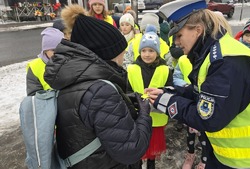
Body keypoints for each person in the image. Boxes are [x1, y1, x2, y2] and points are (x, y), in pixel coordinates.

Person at [145, 0, 250, 169]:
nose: (175, 42)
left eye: (179, 35)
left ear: (198, 30)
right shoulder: (215, 51)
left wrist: (167, 102)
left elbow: (208, 118)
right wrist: (171, 91)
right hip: (231, 155)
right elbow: (205, 92)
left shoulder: (227, 61)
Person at [44, 4, 152, 169]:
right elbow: (131, 150)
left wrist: (124, 102)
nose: (123, 57)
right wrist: (144, 115)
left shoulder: (76, 80)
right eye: (121, 52)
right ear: (109, 53)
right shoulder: (101, 91)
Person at [127, 25, 173, 169]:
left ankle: (151, 165)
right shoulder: (132, 69)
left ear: (157, 52)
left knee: (152, 150)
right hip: (137, 117)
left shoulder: (165, 70)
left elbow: (170, 91)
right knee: (139, 148)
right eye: (144, 50)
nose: (147, 54)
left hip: (156, 118)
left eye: (151, 51)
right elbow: (127, 91)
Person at [26, 27, 63, 96]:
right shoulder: (34, 67)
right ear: (45, 50)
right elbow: (34, 94)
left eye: (61, 48)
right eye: (53, 50)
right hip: (48, 105)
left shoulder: (70, 60)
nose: (58, 52)